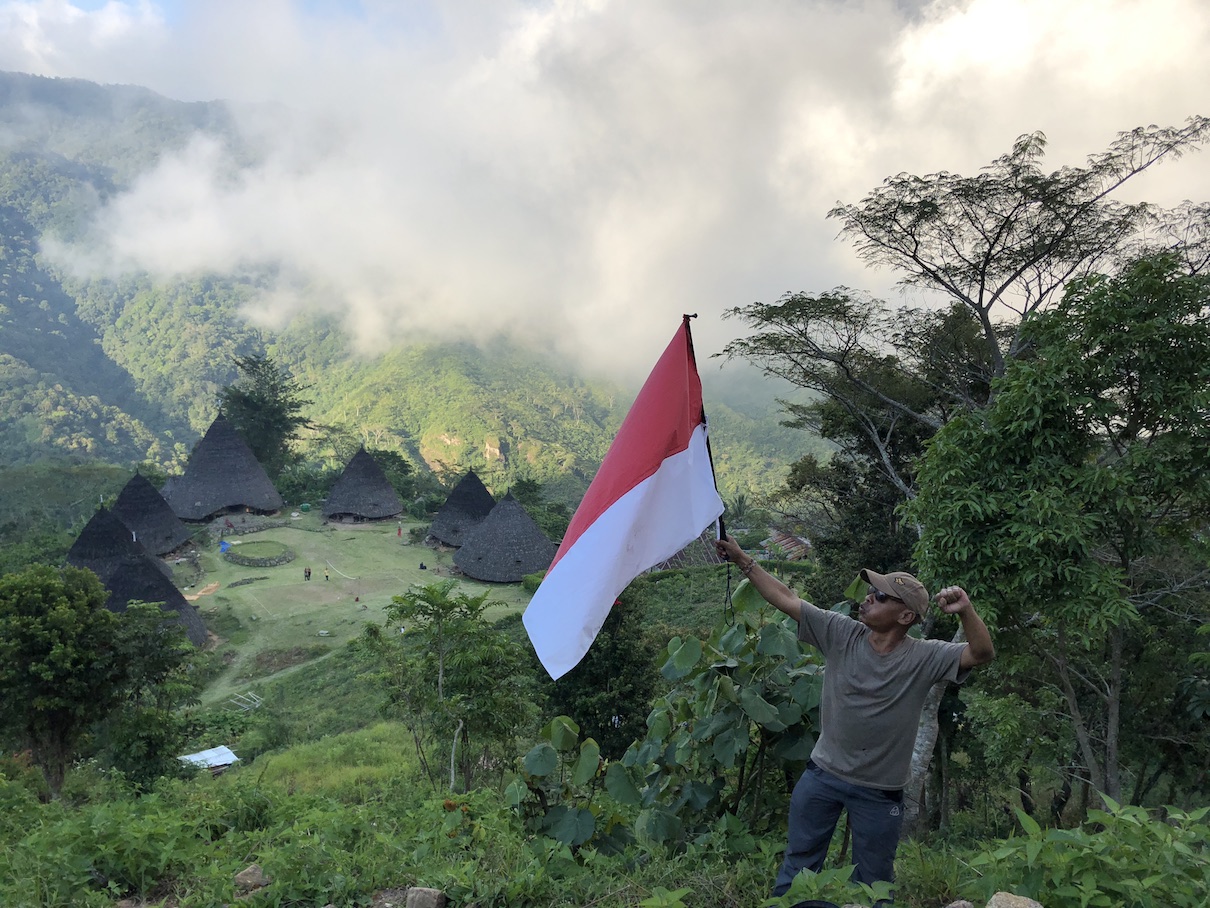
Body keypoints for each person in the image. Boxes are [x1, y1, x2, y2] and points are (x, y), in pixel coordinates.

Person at [714, 534, 995, 899]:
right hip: (822, 777)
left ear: (906, 615)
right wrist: (742, 560)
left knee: (874, 886)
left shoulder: (926, 657)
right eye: (870, 591)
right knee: (797, 874)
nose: (867, 598)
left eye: (879, 596)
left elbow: (982, 652)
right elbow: (786, 598)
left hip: (879, 792)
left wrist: (966, 610)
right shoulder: (841, 632)